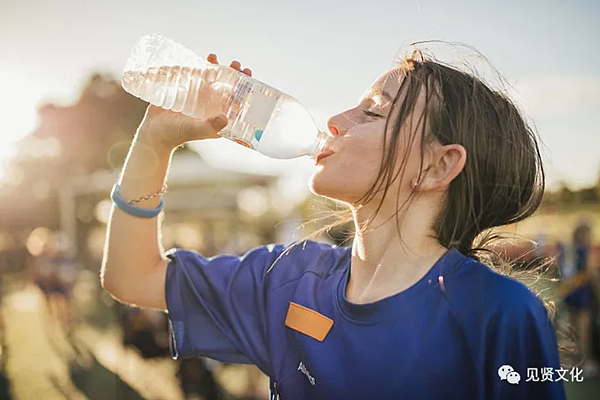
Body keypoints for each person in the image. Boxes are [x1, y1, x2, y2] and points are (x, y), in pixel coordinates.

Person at [101, 49, 566, 399]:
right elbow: (131, 276)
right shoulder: (290, 279)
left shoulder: (499, 313)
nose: (335, 121)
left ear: (436, 167)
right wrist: (154, 142)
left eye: (373, 111)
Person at [563, 222, 600, 376]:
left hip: (570, 293)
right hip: (582, 293)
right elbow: (590, 273)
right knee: (585, 331)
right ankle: (586, 362)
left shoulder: (570, 249)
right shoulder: (586, 250)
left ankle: (576, 361)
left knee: (574, 329)